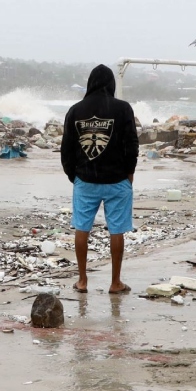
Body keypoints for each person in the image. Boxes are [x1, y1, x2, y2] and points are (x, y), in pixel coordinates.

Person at [60, 64, 139, 295]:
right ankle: (115, 282)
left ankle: (83, 280)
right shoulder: (123, 109)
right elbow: (132, 146)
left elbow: (66, 149)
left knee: (82, 228)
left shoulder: (76, 110)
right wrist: (129, 174)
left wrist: (73, 176)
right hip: (117, 180)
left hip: (85, 180)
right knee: (117, 230)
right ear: (111, 84)